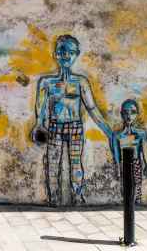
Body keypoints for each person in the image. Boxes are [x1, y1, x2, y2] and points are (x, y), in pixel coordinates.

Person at [31, 35, 114, 206]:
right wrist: (38, 125)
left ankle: (77, 196)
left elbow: (92, 108)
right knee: (53, 165)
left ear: (76, 55)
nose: (66, 55)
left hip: (75, 127)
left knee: (76, 164)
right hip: (54, 127)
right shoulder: (46, 82)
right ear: (55, 54)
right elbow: (40, 108)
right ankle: (53, 198)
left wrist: (109, 132)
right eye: (62, 51)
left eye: (70, 52)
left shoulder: (81, 82)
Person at [113, 99, 147, 204]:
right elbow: (116, 154)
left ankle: (136, 200)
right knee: (125, 187)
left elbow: (145, 150)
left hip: (136, 162)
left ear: (137, 114)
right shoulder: (117, 135)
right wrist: (117, 168)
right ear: (122, 114)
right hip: (123, 163)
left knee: (137, 186)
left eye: (132, 112)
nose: (129, 115)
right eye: (126, 112)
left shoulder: (141, 133)